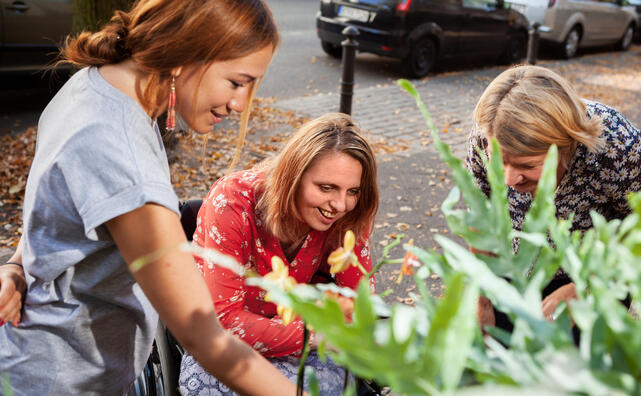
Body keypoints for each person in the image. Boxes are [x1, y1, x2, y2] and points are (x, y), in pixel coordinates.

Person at [0, 1, 304, 395]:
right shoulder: (123, 156)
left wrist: (16, 267)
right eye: (236, 82)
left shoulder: (96, 85)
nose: (240, 103)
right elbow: (205, 337)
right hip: (62, 378)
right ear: (183, 56)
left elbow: (61, 207)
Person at [179, 113, 379, 395]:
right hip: (225, 349)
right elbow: (223, 321)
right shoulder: (232, 202)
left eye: (353, 191)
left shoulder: (348, 215)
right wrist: (311, 333)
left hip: (302, 347)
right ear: (293, 176)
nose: (340, 204)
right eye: (326, 187)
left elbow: (360, 306)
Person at [466, 65, 641, 330]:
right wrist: (482, 302)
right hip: (513, 266)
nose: (509, 180)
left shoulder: (616, 145)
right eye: (500, 163)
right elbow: (480, 217)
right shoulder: (488, 134)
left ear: (566, 145)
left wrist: (587, 285)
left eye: (527, 165)